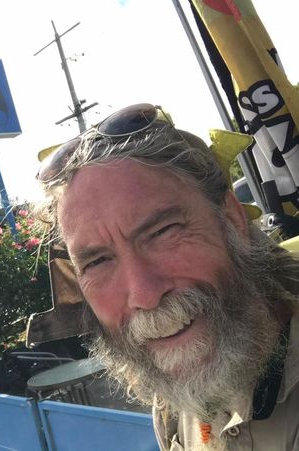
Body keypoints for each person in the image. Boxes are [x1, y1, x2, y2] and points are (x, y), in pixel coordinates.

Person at [36, 103, 299, 450]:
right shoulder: (173, 400)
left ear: (232, 219)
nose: (144, 295)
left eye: (163, 232)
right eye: (97, 262)